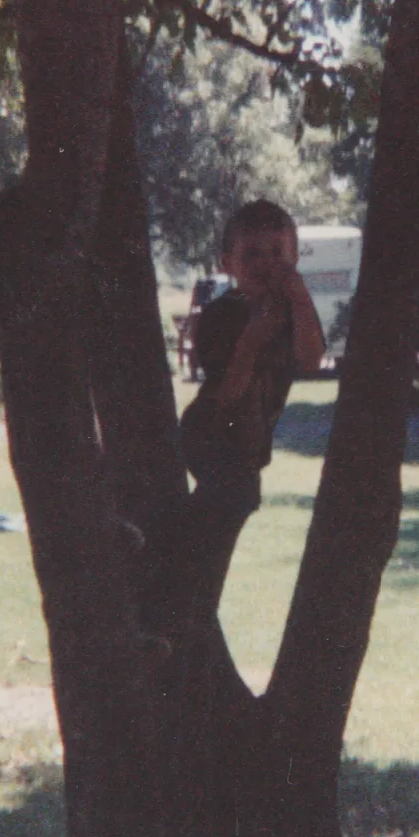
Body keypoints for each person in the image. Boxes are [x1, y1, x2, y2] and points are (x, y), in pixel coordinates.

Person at [147, 201, 324, 656]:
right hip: (212, 435)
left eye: (276, 253)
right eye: (252, 255)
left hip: (247, 445)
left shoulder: (290, 311)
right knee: (227, 508)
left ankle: (179, 605)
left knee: (217, 518)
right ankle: (182, 617)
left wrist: (300, 300)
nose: (266, 264)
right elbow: (226, 396)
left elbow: (311, 359)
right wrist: (251, 341)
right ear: (228, 264)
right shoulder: (222, 316)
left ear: (295, 257)